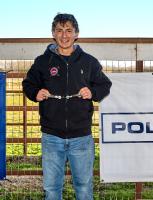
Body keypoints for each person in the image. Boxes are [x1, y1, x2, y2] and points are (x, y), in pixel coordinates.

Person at [22, 13, 112, 200]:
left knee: (84, 187)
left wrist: (92, 93)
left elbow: (104, 85)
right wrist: (35, 93)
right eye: (60, 31)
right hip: (51, 137)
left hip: (81, 138)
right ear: (53, 34)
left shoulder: (88, 61)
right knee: (52, 188)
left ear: (76, 34)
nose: (64, 35)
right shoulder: (42, 61)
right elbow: (28, 84)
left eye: (69, 30)